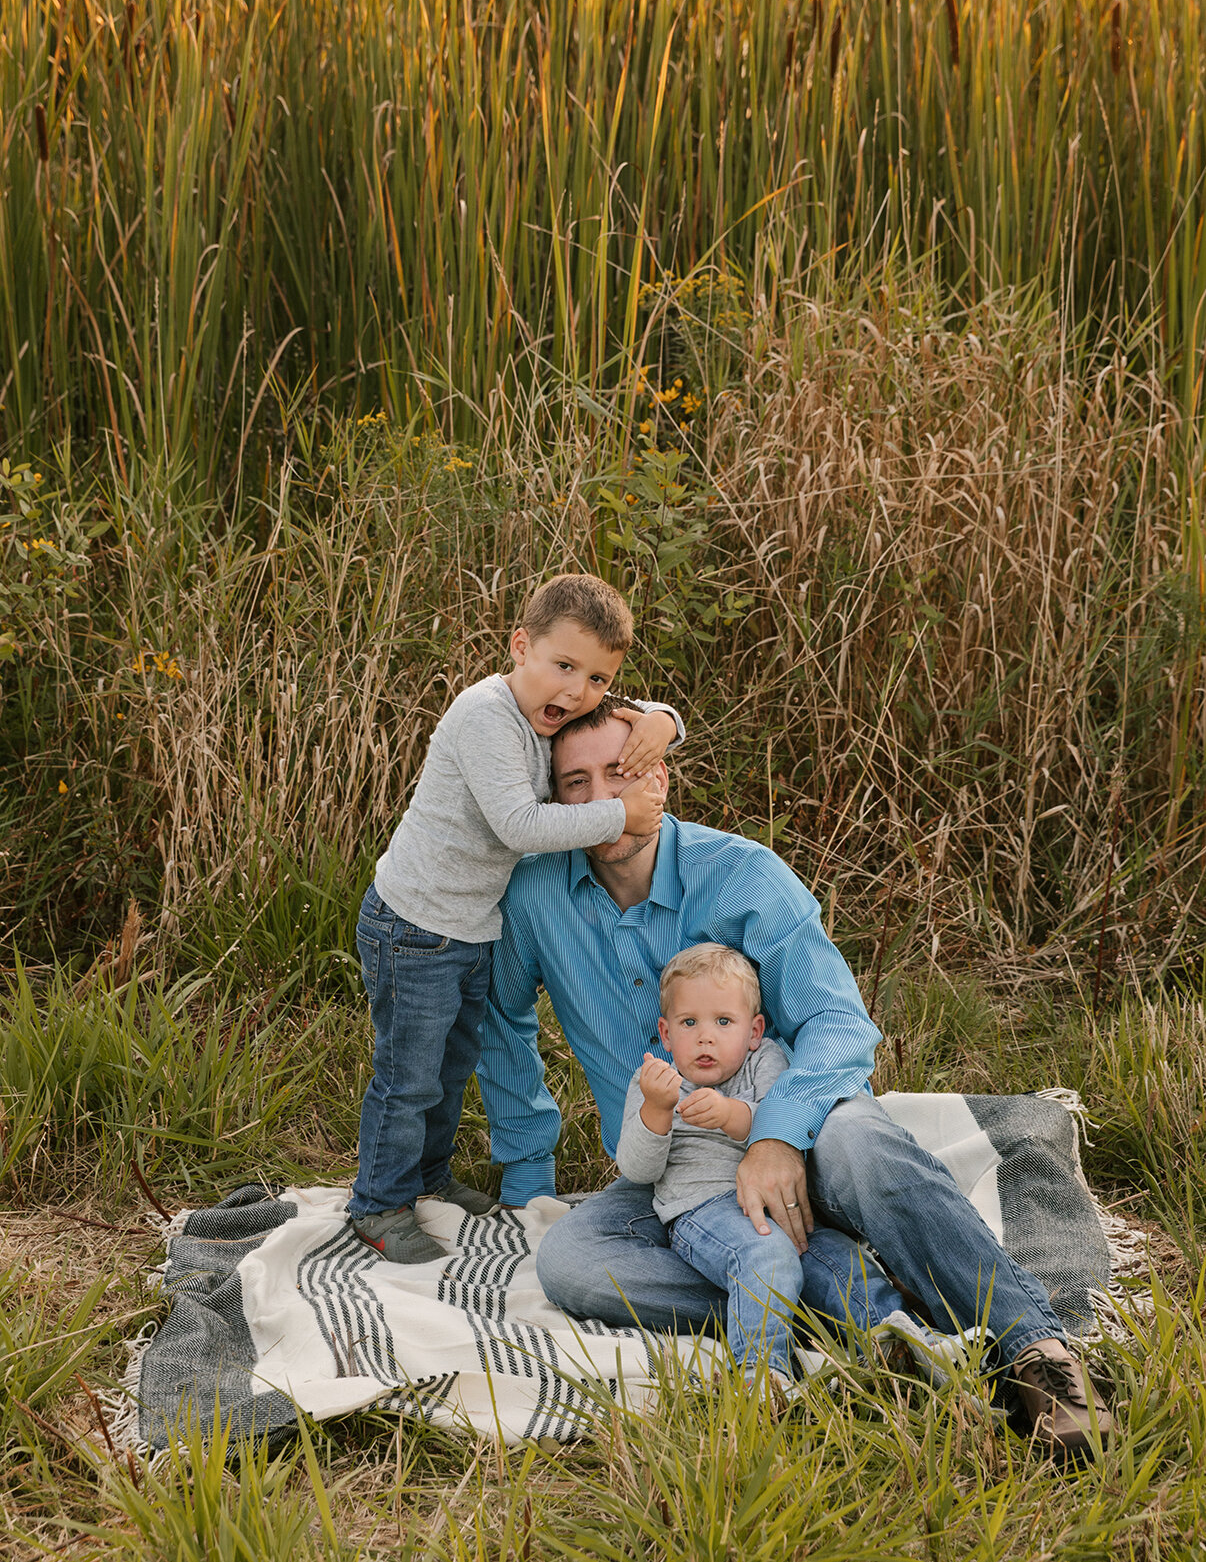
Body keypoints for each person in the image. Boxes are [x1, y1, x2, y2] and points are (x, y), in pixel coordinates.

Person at [478, 695, 1114, 1457]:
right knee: (571, 1263)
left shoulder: (742, 873)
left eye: (620, 773)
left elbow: (838, 1024)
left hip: (802, 1128)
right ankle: (860, 1307)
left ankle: (1035, 1350)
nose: (599, 800)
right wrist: (525, 1170)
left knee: (863, 1144)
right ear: (553, 802)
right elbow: (502, 1022)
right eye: (574, 784)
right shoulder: (536, 894)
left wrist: (776, 1136)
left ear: (659, 779)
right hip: (679, 1176)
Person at [346, 574, 684, 1265]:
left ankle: (427, 1178)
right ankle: (377, 1201)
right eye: (563, 667)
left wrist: (665, 720)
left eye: (597, 677)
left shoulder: (553, 710)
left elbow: (636, 712)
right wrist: (621, 812)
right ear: (520, 646)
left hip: (468, 926)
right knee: (409, 1073)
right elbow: (519, 823)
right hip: (413, 925)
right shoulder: (486, 716)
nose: (577, 693)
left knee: (452, 1063)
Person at [616, 942, 914, 1392]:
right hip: (702, 1209)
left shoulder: (765, 1061)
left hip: (781, 1204)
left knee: (839, 1260)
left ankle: (897, 1339)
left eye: (723, 1021)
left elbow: (781, 1119)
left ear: (754, 1031)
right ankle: (759, 1372)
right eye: (688, 1023)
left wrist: (733, 1115)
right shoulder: (654, 1084)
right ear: (665, 1033)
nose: (705, 1036)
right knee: (766, 1253)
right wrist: (657, 1112)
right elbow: (638, 1170)